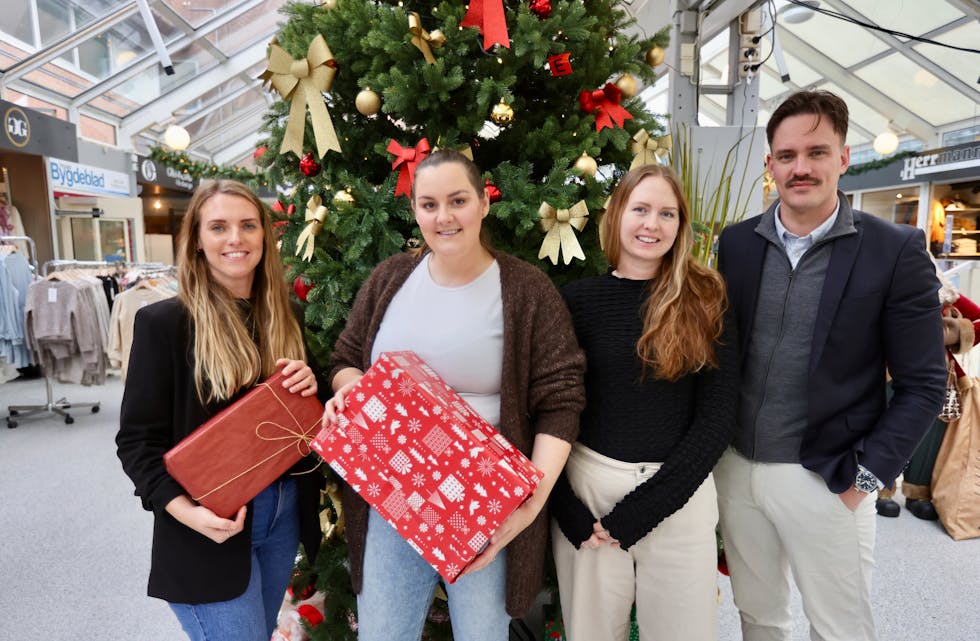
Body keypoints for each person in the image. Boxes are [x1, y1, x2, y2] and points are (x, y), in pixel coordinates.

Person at [320, 149, 586, 641]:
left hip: (486, 506)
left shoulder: (527, 290)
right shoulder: (390, 279)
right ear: (415, 211)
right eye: (429, 204)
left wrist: (528, 505)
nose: (443, 217)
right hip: (391, 496)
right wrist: (352, 391)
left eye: (458, 200)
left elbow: (561, 401)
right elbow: (345, 358)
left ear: (484, 203)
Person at [714, 89, 947, 641]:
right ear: (770, 165)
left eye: (816, 152)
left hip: (828, 474)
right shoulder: (737, 244)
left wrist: (866, 477)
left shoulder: (894, 249)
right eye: (787, 155)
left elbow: (923, 383)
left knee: (840, 628)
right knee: (758, 616)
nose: (801, 167)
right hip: (736, 469)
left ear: (843, 158)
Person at [116, 179, 324, 641]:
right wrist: (188, 514)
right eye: (218, 227)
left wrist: (314, 387)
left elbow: (308, 419)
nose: (236, 238)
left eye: (248, 225)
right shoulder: (164, 324)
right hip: (205, 526)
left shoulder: (287, 317)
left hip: (283, 514)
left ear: (265, 236)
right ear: (196, 240)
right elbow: (136, 442)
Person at [549, 164, 739, 641]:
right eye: (640, 209)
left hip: (680, 498)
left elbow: (717, 418)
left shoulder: (707, 299)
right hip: (589, 495)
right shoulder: (577, 301)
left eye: (667, 214)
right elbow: (549, 410)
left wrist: (644, 509)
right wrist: (565, 508)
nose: (652, 224)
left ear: (680, 225)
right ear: (617, 215)